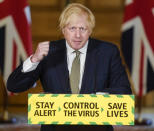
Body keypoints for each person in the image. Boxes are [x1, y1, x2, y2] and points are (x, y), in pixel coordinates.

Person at [7, 3, 132, 131]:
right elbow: (13, 86)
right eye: (72, 28)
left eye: (82, 29)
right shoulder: (48, 52)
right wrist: (34, 59)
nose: (77, 35)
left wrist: (95, 100)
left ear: (90, 30)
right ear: (63, 30)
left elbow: (125, 92)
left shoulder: (108, 52)